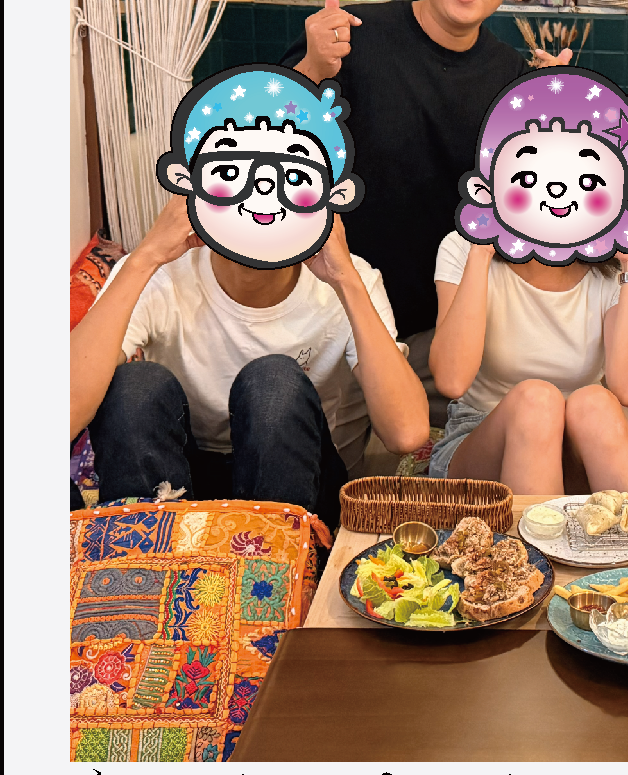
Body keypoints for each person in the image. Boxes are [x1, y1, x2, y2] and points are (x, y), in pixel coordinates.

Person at [284, 0, 538, 427]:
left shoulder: (512, 78)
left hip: (449, 327)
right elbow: (265, 136)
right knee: (334, 471)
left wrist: (559, 102)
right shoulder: (353, 38)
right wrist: (311, 67)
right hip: (342, 318)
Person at [70, 196, 428, 527]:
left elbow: (406, 434)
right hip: (185, 480)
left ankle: (282, 563)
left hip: (300, 481)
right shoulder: (161, 273)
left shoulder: (348, 279)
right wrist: (145, 257)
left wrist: (345, 280)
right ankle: (143, 558)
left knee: (273, 380)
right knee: (134, 384)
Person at [426, 71, 628, 496]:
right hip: (479, 438)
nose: (557, 192)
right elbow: (451, 380)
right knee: (538, 401)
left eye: (586, 181)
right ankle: (533, 542)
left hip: (577, 442)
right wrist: (482, 250)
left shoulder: (611, 267)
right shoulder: (462, 248)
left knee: (595, 401)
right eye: (531, 176)